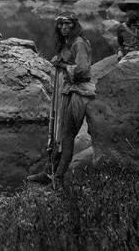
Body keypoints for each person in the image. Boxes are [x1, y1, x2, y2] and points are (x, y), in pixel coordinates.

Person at [27, 11, 95, 188]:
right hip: (66, 90)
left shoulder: (79, 43)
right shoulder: (67, 43)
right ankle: (48, 172)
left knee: (67, 135)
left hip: (78, 92)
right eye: (61, 24)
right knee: (55, 133)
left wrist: (63, 65)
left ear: (74, 25)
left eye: (68, 24)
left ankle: (58, 177)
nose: (64, 27)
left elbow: (83, 71)